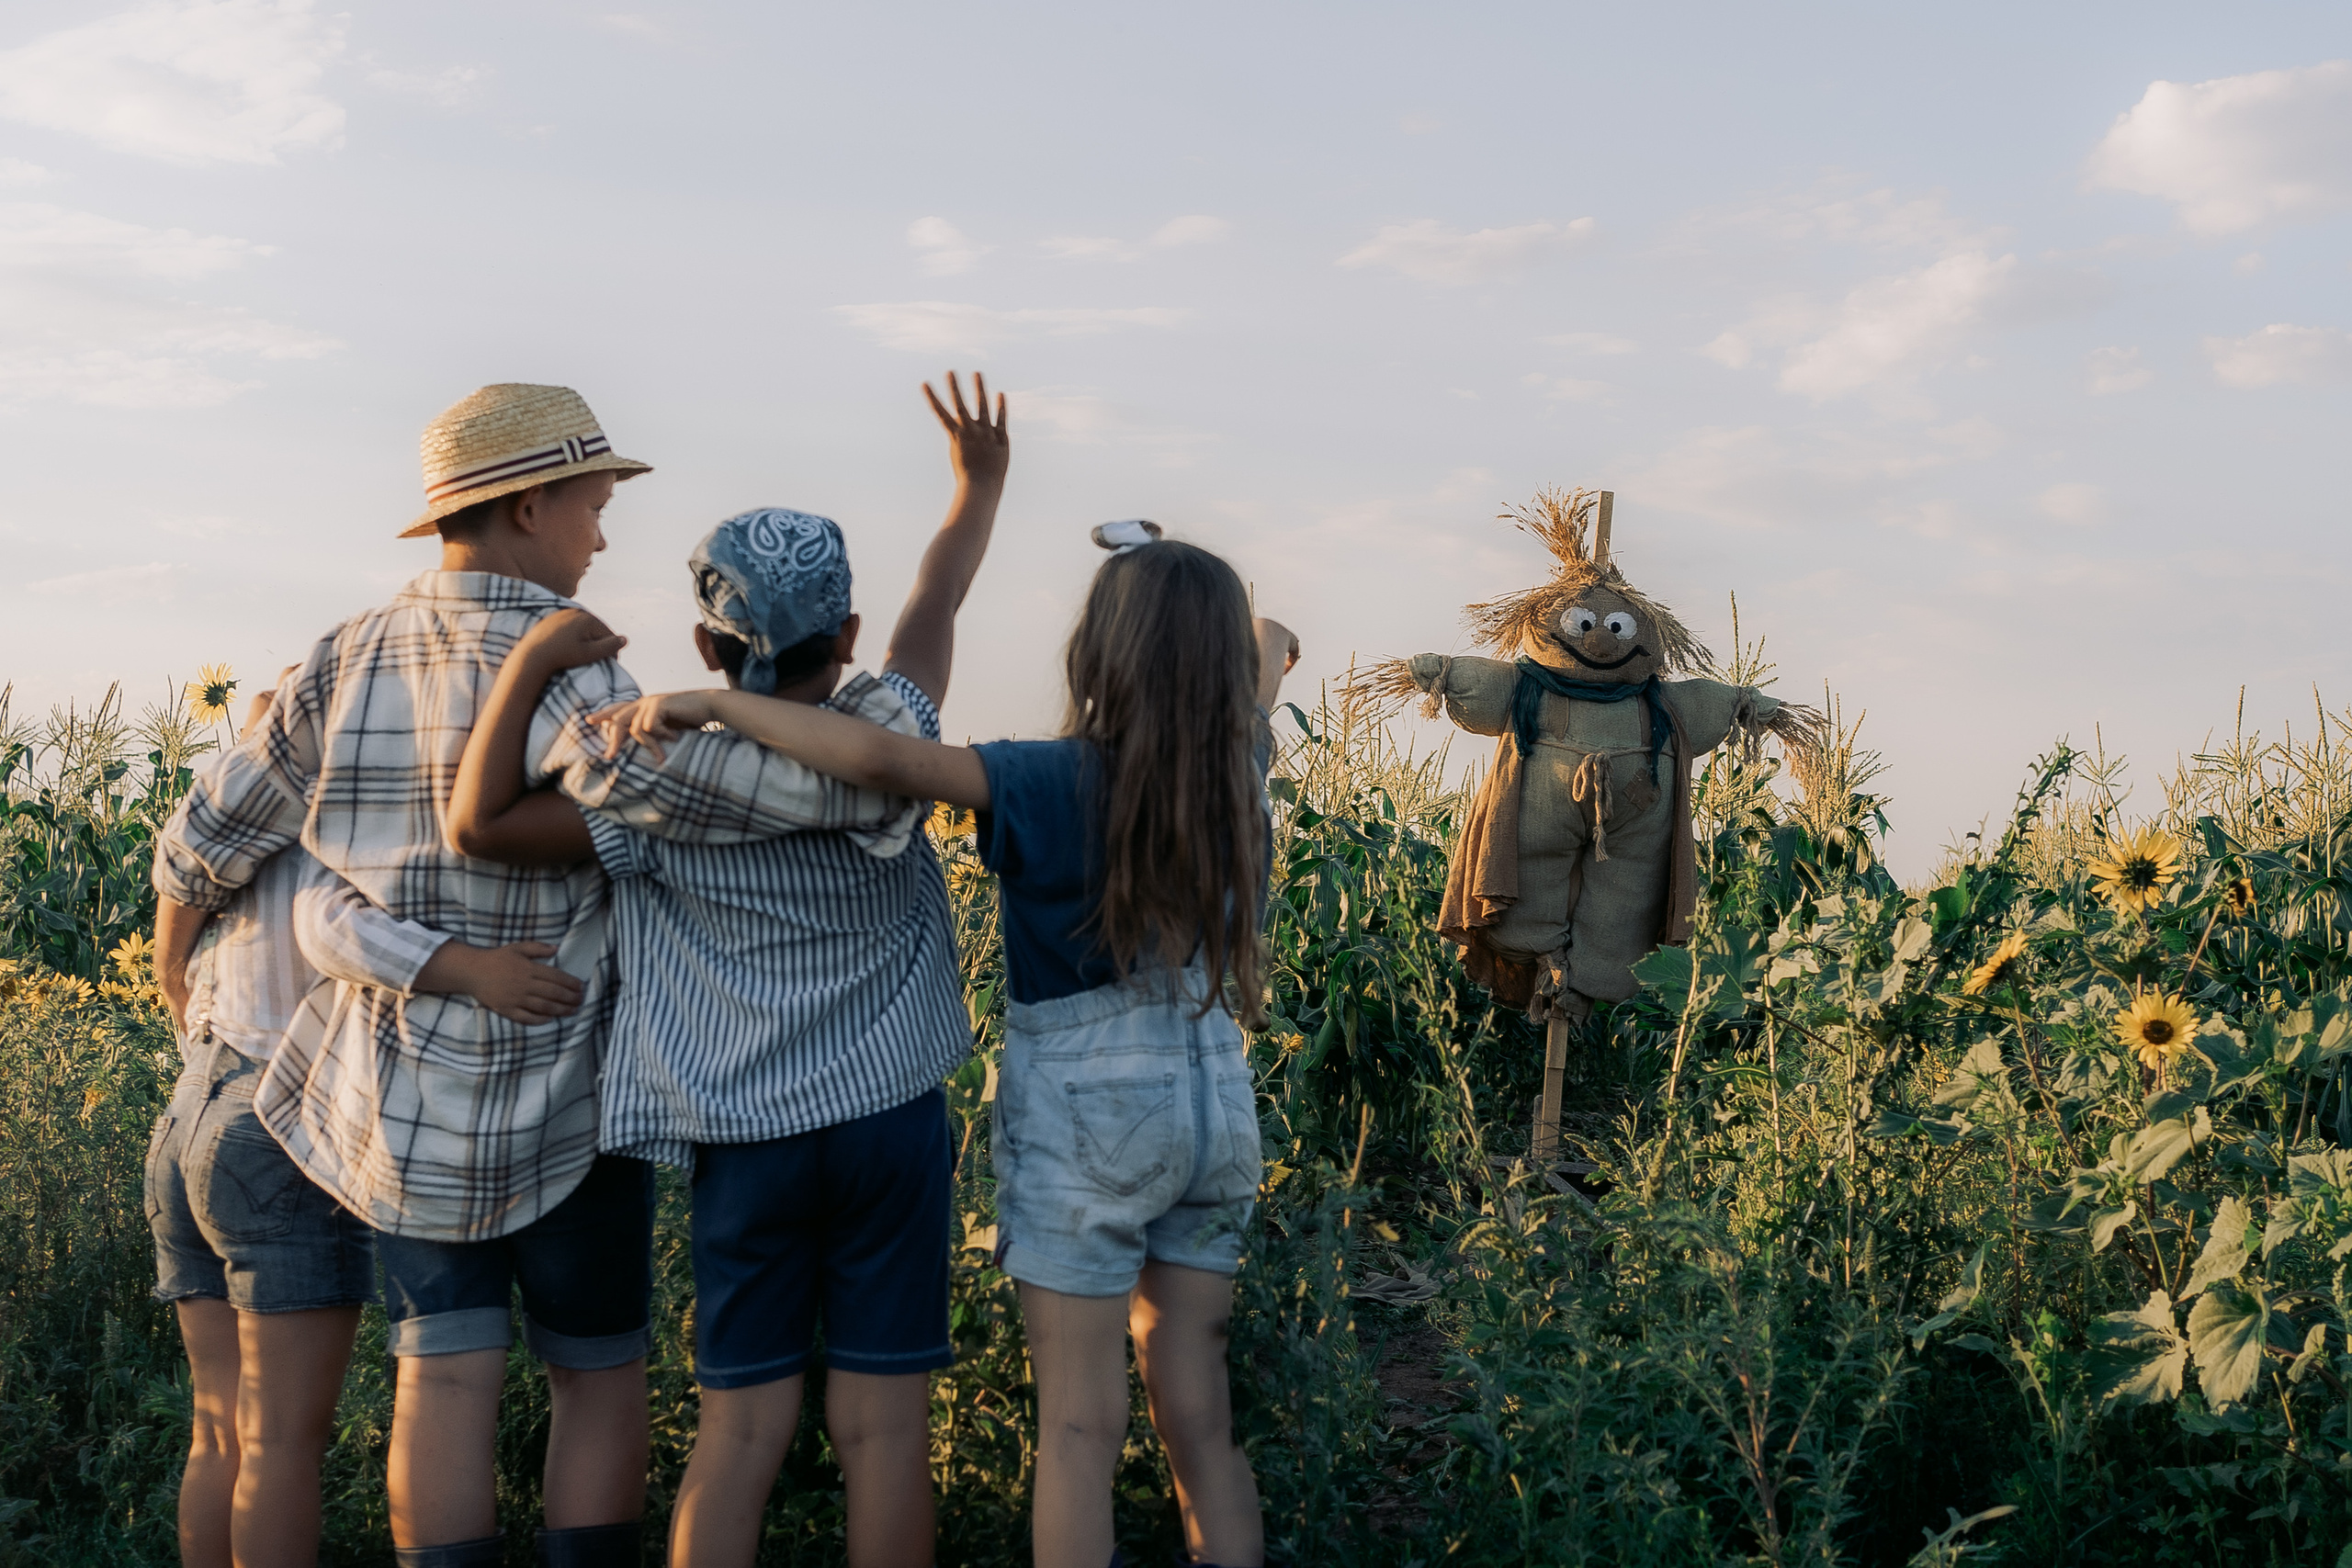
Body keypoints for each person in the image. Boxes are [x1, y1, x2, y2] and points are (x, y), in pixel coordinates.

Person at [150, 383, 919, 1568]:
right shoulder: (584, 674)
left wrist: (170, 963)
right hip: (572, 1100)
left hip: (396, 1109)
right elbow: (660, 822)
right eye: (593, 506)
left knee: (442, 1380)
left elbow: (210, 833)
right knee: (596, 1377)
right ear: (527, 508)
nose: (602, 537)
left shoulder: (339, 656)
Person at [589, 528, 1299, 1568]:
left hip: (1092, 1122)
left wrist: (716, 705)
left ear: (1095, 656)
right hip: (1213, 1105)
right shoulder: (1239, 767)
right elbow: (1270, 644)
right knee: (1201, 1417)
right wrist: (1187, 572)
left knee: (1078, 1429)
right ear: (1224, 672)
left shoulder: (1052, 780)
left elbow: (879, 758)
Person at [447, 372, 1010, 1568]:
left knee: (738, 1429)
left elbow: (486, 822)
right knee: (886, 1428)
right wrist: (978, 485)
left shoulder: (653, 780)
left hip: (742, 1136)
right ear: (844, 637)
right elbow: (936, 603)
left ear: (705, 643)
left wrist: (533, 667)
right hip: (888, 1122)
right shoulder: (893, 740)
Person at [149, 676, 599, 1568]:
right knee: (279, 1442)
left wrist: (172, 978)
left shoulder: (233, 819)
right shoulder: (354, 821)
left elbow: (177, 919)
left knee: (219, 1432)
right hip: (274, 1117)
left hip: (190, 1108)